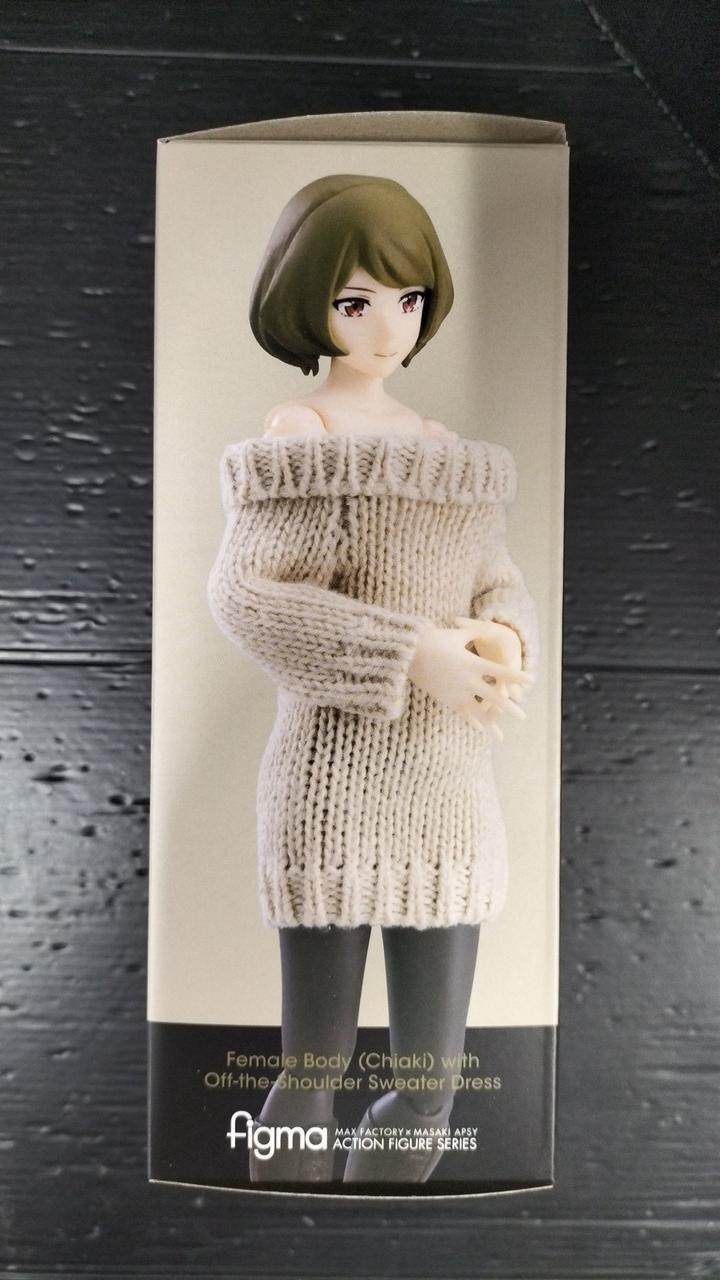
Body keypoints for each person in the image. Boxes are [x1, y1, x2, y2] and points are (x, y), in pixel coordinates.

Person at [207, 174, 539, 1184]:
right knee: (314, 1070)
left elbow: (498, 579)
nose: (388, 327)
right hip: (329, 789)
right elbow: (248, 596)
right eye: (356, 303)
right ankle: (281, 1224)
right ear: (308, 302)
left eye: (408, 299)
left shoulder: (444, 453)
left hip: (448, 792)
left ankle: (377, 1215)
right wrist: (411, 653)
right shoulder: (300, 438)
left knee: (432, 1084)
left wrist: (503, 637)